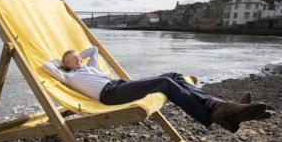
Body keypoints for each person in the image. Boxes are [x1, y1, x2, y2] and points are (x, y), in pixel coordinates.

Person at [42, 46, 267, 133]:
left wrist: (78, 55)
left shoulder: (87, 66)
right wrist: (64, 63)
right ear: (66, 65)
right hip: (109, 95)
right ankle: (218, 112)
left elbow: (93, 51)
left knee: (173, 75)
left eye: (76, 59)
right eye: (72, 60)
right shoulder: (68, 76)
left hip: (119, 85)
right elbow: (47, 65)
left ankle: (217, 107)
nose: (77, 61)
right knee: (166, 84)